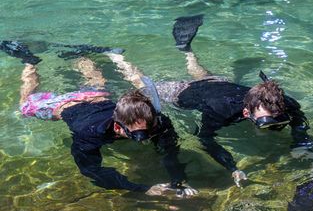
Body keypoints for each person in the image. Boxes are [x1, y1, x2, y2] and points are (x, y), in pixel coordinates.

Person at [108, 16, 313, 187]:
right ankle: (117, 57)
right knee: (140, 87)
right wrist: (232, 167)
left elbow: (298, 119)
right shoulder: (220, 112)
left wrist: (300, 141)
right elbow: (206, 138)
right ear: (246, 114)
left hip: (219, 84)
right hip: (183, 94)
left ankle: (186, 50)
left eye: (278, 120)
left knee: (203, 74)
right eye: (265, 123)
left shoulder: (284, 102)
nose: (274, 127)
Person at [1, 41, 198, 198]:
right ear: (118, 127)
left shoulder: (156, 122)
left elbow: (170, 150)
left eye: (148, 130)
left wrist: (177, 179)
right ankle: (29, 61)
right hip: (65, 106)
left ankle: (79, 53)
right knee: (24, 104)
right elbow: (91, 170)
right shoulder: (88, 134)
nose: (146, 137)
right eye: (138, 135)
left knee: (97, 86)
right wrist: (143, 189)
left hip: (96, 99)